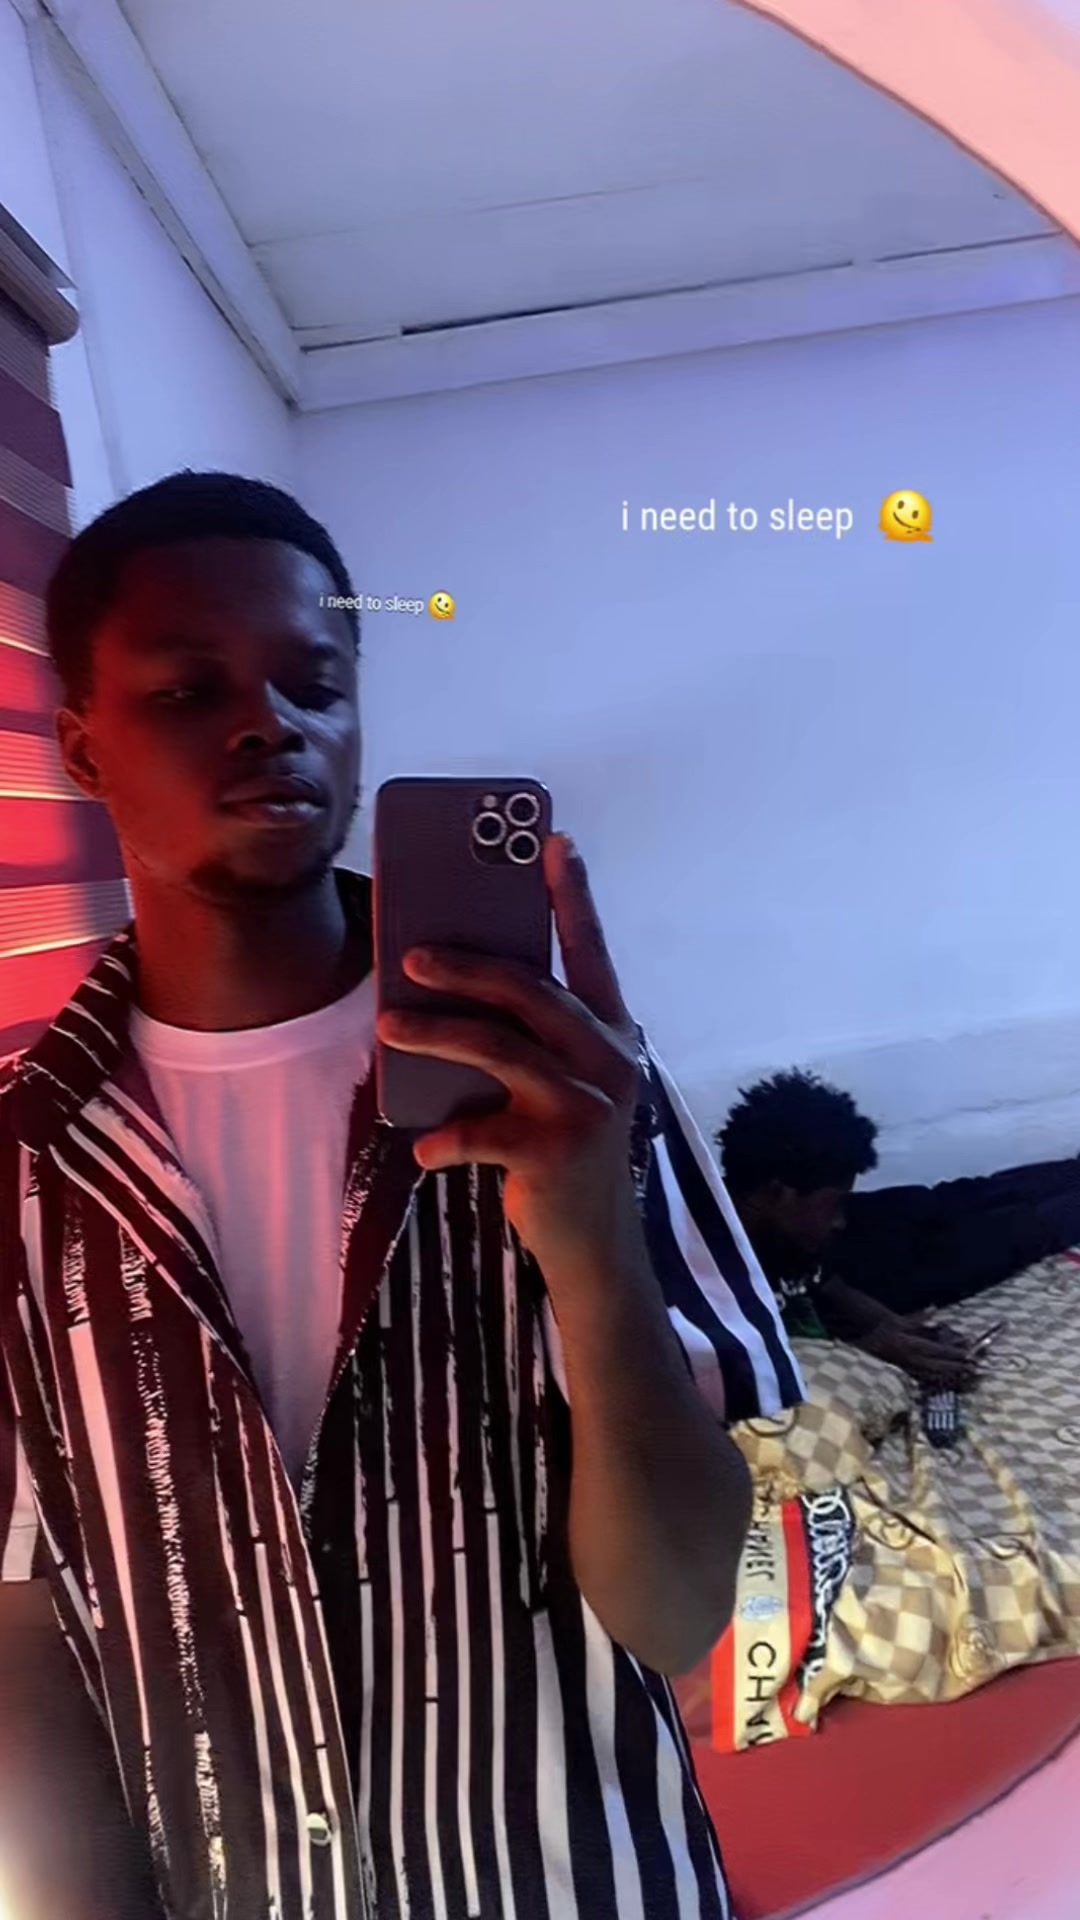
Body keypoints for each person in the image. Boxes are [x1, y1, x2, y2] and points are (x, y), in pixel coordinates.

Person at [0, 471, 803, 1920]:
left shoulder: (559, 1077)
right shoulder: (24, 1155)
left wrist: (593, 1250)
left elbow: (683, 1613)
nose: (271, 723)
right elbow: (26, 1642)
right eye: (188, 691)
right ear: (81, 749)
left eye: (315, 684)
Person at [716, 1071, 977, 1389]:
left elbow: (827, 1285)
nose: (839, 1221)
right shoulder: (699, 1277)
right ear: (777, 1193)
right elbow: (741, 1383)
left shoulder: (781, 1240)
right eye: (834, 1204)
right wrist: (868, 1353)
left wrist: (901, 1328)